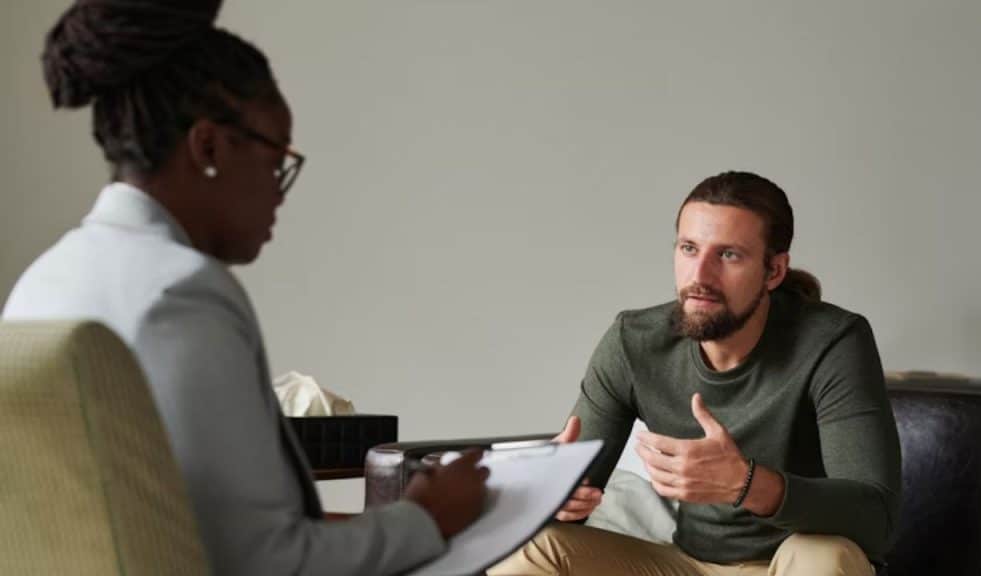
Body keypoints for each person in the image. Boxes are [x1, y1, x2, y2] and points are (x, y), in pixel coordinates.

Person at [2, 1, 489, 574]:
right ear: (209, 147)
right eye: (277, 155)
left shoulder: (41, 284)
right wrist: (426, 519)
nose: (281, 189)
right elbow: (267, 563)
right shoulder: (180, 293)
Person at [490, 171, 901, 575]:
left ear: (774, 271)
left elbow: (877, 518)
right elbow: (578, 495)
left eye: (728, 255)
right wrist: (555, 496)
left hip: (786, 564)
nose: (700, 277)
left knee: (822, 557)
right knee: (531, 548)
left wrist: (748, 484)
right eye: (689, 248)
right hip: (683, 565)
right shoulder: (633, 342)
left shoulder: (832, 341)